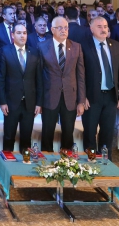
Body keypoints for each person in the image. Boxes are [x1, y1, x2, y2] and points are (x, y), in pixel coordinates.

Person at [80, 17, 119, 159]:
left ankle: (106, 162)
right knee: (90, 132)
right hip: (91, 97)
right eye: (99, 26)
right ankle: (90, 162)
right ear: (91, 29)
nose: (103, 29)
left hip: (111, 96)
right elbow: (79, 75)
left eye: (105, 26)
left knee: (107, 132)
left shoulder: (115, 45)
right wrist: (82, 96)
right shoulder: (83, 46)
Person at [38, 16, 86, 152]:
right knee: (47, 133)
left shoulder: (76, 47)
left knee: (68, 135)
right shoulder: (42, 47)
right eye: (60, 28)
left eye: (66, 28)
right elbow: (39, 77)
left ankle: (66, 162)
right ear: (52, 30)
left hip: (70, 97)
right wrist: (39, 102)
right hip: (49, 97)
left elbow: (81, 76)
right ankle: (46, 161)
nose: (63, 30)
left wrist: (81, 101)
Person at [0, 22, 43, 155]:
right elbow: (1, 79)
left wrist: (39, 103)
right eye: (19, 33)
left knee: (26, 139)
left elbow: (39, 79)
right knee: (9, 137)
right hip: (11, 102)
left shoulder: (34, 52)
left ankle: (24, 164)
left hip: (29, 103)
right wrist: (3, 101)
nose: (22, 36)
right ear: (12, 35)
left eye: (24, 33)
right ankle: (7, 164)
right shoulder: (5, 51)